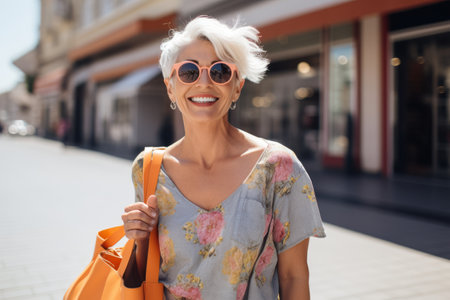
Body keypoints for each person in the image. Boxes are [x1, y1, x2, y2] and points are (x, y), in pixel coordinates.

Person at [121, 16, 326, 300]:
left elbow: (294, 277)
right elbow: (144, 274)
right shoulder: (148, 169)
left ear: (237, 87)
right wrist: (137, 238)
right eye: (189, 72)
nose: (204, 82)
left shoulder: (279, 167)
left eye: (220, 72)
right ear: (171, 87)